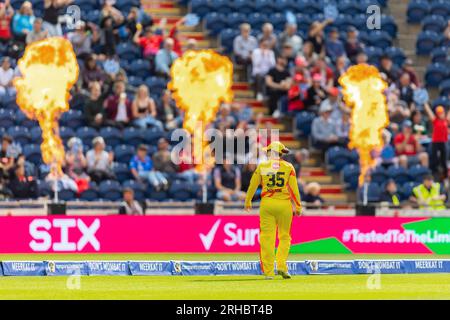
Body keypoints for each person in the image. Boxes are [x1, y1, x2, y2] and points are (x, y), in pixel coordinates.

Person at [244, 141, 302, 280]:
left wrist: (248, 201)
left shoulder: (263, 166)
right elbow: (294, 189)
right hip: (284, 205)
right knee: (284, 237)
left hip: (267, 204)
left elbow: (253, 184)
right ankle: (281, 266)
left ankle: (269, 272)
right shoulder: (289, 167)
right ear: (281, 153)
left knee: (267, 238)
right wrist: (298, 206)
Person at [424, 103, 449, 179]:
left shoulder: (446, 120)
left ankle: (445, 176)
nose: (441, 114)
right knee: (434, 159)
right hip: (435, 142)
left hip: (443, 142)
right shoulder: (435, 120)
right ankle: (434, 174)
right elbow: (429, 112)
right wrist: (425, 104)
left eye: (442, 113)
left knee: (444, 160)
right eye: (439, 113)